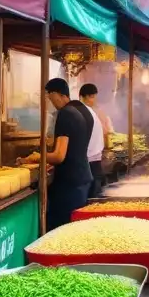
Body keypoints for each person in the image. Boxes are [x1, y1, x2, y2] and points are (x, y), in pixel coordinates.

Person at [45, 78, 95, 229]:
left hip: (69, 185)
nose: (50, 101)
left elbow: (59, 156)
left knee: (61, 231)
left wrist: (38, 157)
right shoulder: (81, 111)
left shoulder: (65, 114)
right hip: (82, 179)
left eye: (49, 96)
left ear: (56, 94)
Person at [79, 83, 108, 198]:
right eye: (91, 97)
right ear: (82, 97)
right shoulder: (82, 112)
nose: (93, 100)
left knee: (94, 192)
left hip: (94, 158)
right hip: (88, 160)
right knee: (92, 193)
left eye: (94, 97)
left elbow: (104, 131)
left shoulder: (92, 112)